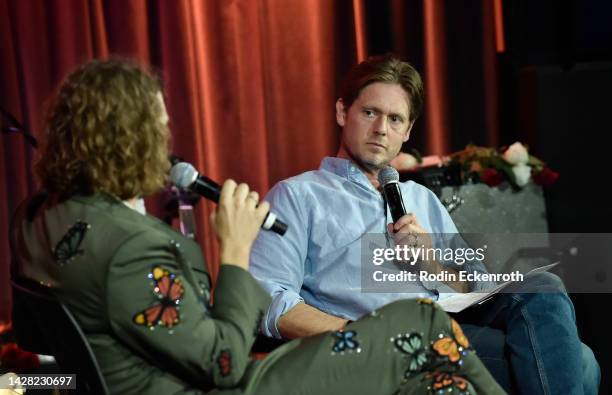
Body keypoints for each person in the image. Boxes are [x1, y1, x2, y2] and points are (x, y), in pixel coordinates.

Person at [10, 59, 505, 395]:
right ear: (128, 138)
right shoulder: (133, 248)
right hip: (228, 384)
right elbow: (224, 361)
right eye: (158, 126)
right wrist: (235, 249)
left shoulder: (37, 217)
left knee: (447, 376)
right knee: (423, 322)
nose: (165, 138)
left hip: (164, 369)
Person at [249, 54, 600, 394]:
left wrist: (430, 262)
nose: (381, 130)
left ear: (408, 130)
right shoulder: (298, 196)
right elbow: (267, 298)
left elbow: (476, 285)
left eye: (395, 119)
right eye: (370, 113)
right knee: (581, 363)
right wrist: (361, 335)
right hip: (384, 348)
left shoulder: (421, 198)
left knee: (542, 284)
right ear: (343, 112)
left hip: (451, 324)